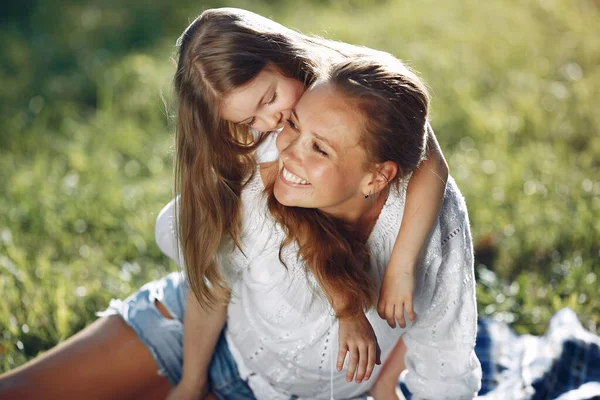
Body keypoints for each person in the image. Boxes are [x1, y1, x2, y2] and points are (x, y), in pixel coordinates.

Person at [0, 53, 480, 400]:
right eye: (292, 124)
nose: (289, 151)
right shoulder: (258, 180)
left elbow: (442, 354)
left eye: (321, 149)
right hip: (192, 334)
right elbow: (208, 281)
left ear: (379, 175)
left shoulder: (428, 230)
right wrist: (191, 381)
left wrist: (386, 387)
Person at [168, 8, 449, 394]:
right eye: (249, 120)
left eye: (270, 98)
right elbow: (301, 226)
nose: (271, 121)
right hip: (245, 297)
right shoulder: (268, 151)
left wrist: (403, 263)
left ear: (284, 57)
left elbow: (430, 159)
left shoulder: (342, 81)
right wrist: (346, 308)